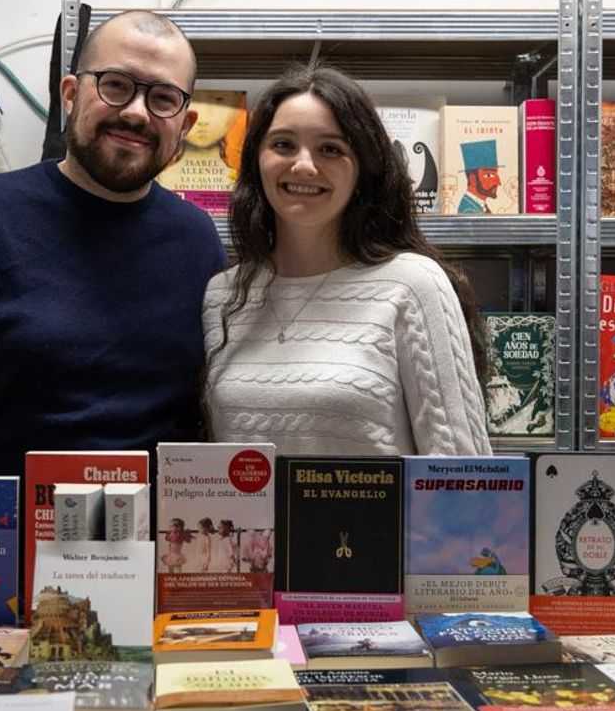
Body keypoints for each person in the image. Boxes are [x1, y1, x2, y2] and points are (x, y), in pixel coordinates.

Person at [0, 11, 226, 557]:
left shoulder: (197, 241)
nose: (136, 112)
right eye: (116, 85)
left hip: (138, 571)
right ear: (71, 94)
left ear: (185, 124)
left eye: (162, 98)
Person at [202, 64, 492, 457]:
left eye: (331, 149)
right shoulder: (223, 295)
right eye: (283, 144)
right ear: (256, 160)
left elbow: (462, 472)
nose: (303, 165)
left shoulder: (413, 286)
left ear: (363, 170)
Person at [456, 139, 506, 214]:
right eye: (489, 175)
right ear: (473, 179)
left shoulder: (480, 204)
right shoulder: (469, 210)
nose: (499, 182)